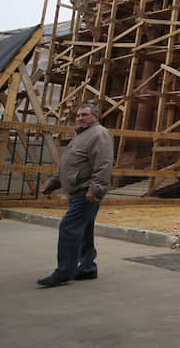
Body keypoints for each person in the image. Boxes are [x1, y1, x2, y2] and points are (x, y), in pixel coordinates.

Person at [36, 104, 114, 287]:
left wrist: (95, 189)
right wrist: (52, 183)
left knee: (69, 228)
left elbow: (104, 165)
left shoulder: (99, 134)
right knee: (84, 230)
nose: (79, 118)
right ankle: (87, 268)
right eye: (78, 115)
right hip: (77, 190)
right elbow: (69, 166)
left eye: (84, 115)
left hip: (85, 191)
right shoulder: (81, 136)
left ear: (95, 116)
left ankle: (64, 271)